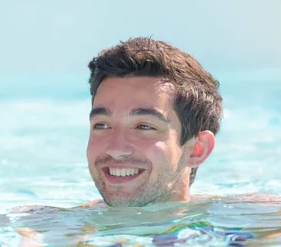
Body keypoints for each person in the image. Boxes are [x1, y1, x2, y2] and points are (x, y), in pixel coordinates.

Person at [85, 36, 222, 207]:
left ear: (197, 149)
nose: (116, 149)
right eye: (102, 125)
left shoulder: (247, 223)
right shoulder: (60, 227)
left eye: (144, 126)